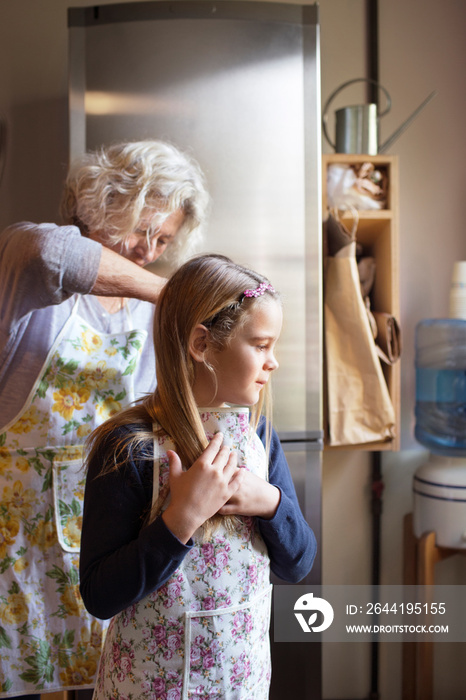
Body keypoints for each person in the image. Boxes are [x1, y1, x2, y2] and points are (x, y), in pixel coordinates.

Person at [0, 140, 209, 699]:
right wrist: (179, 297)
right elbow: (53, 253)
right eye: (144, 230)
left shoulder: (146, 311)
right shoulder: (28, 261)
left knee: (99, 683)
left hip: (100, 532)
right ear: (104, 201)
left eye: (164, 240)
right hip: (14, 536)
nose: (150, 249)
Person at [80, 254, 317, 699]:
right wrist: (179, 521)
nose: (274, 363)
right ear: (201, 344)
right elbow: (100, 595)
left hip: (241, 686)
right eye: (261, 345)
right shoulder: (129, 446)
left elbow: (299, 563)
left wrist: (269, 502)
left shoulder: (259, 437)